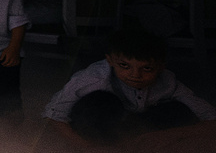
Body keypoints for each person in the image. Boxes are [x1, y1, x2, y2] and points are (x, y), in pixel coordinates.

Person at [45, 27, 215, 146]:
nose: (135, 75)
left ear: (160, 67)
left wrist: (166, 136)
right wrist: (88, 149)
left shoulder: (167, 82)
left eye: (146, 68)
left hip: (138, 128)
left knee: (178, 110)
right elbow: (53, 115)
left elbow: (211, 119)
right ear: (110, 61)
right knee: (100, 101)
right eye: (125, 66)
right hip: (98, 126)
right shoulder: (93, 79)